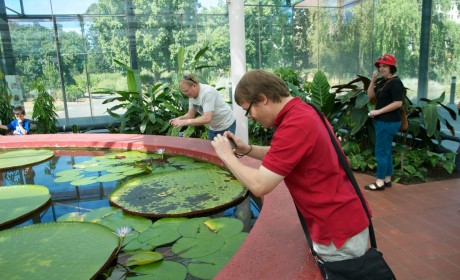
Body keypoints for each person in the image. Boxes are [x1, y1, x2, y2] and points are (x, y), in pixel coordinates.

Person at [211, 70, 370, 263]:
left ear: (263, 99)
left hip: (336, 229)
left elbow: (260, 185)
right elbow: (283, 154)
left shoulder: (295, 124)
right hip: (343, 217)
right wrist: (248, 149)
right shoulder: (303, 111)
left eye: (248, 110)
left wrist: (227, 156)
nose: (250, 116)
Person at [365, 54, 404, 191]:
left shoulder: (396, 83)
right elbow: (371, 96)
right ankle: (387, 178)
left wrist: (378, 112)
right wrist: (373, 81)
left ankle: (380, 181)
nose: (381, 68)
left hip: (388, 122)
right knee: (386, 151)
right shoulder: (384, 81)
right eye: (380, 66)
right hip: (383, 121)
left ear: (392, 68)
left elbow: (398, 103)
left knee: (381, 151)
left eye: (385, 66)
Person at [169, 74, 236, 140]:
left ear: (194, 86)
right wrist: (178, 119)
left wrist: (184, 122)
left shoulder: (208, 93)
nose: (185, 94)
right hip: (213, 127)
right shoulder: (192, 95)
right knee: (211, 150)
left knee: (226, 150)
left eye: (186, 91)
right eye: (183, 92)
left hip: (226, 124)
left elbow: (207, 118)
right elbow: (190, 115)